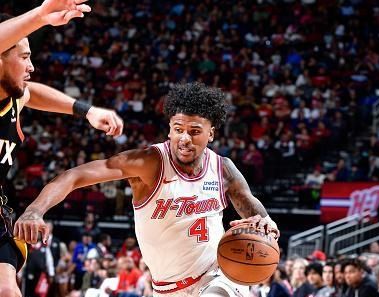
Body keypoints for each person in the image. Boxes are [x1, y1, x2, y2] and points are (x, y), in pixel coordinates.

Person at [14, 82, 279, 297]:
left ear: (211, 133)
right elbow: (73, 176)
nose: (184, 138)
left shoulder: (223, 169)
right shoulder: (149, 163)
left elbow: (249, 203)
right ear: (170, 129)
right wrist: (34, 210)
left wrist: (265, 222)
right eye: (178, 129)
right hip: (166, 288)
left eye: (195, 131)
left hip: (217, 276)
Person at [0, 2, 124, 296]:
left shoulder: (14, 97)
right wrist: (40, 16)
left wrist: (87, 111)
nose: (32, 67)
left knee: (8, 290)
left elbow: (33, 93)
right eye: (25, 57)